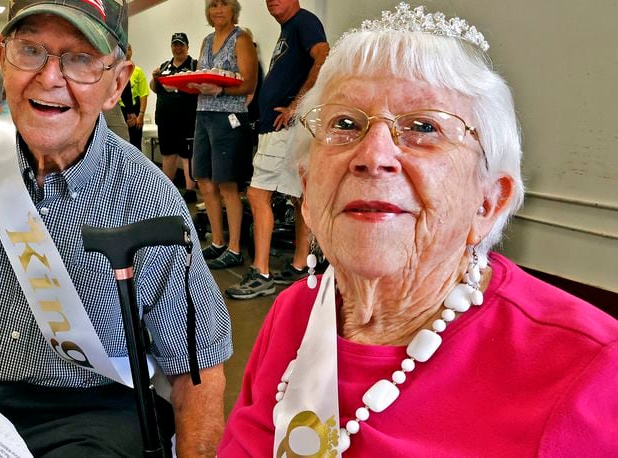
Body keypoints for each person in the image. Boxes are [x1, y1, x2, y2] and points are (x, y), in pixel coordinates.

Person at [218, 3, 618, 456]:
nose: (373, 155)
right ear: (308, 190)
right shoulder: (293, 312)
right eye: (345, 124)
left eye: (423, 127)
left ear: (489, 201)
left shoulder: (588, 372)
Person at [0, 1, 233, 456]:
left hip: (95, 413)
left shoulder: (150, 197)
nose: (49, 77)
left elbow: (197, 367)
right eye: (30, 50)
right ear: (2, 56)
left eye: (81, 58)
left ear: (117, 84)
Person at [225, 0, 328, 299]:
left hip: (284, 128)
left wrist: (296, 105)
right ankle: (299, 265)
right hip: (280, 128)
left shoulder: (304, 22)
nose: (271, 1)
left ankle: (261, 273)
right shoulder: (290, 29)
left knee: (258, 195)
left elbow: (324, 57)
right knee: (298, 197)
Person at [191, 0, 258, 270]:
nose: (217, 10)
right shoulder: (206, 40)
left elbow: (250, 83)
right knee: (204, 180)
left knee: (228, 184)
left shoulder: (241, 39)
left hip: (229, 118)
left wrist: (220, 91)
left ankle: (234, 248)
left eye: (223, 5)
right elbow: (202, 74)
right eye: (213, 5)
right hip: (203, 114)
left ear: (234, 10)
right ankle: (218, 241)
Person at [150, 32, 199, 202]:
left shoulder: (194, 65)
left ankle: (191, 190)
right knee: (167, 154)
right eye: (175, 45)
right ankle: (168, 189)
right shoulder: (164, 66)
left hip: (187, 118)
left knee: (188, 154)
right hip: (166, 118)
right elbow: (155, 89)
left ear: (187, 46)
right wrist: (154, 78)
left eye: (181, 45)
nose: (178, 48)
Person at [121, 43, 149, 150]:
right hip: (119, 110)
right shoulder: (116, 70)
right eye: (125, 49)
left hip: (134, 111)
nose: (127, 53)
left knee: (135, 144)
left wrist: (141, 115)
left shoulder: (138, 71)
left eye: (129, 49)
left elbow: (143, 94)